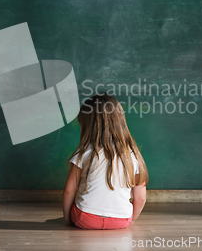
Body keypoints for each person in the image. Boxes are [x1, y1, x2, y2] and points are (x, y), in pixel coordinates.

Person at [62, 93, 149, 229]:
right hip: (121, 220)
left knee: (80, 207)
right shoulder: (133, 155)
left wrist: (67, 220)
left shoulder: (84, 152)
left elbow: (69, 191)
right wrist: (131, 218)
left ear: (88, 126)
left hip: (85, 219)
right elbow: (141, 198)